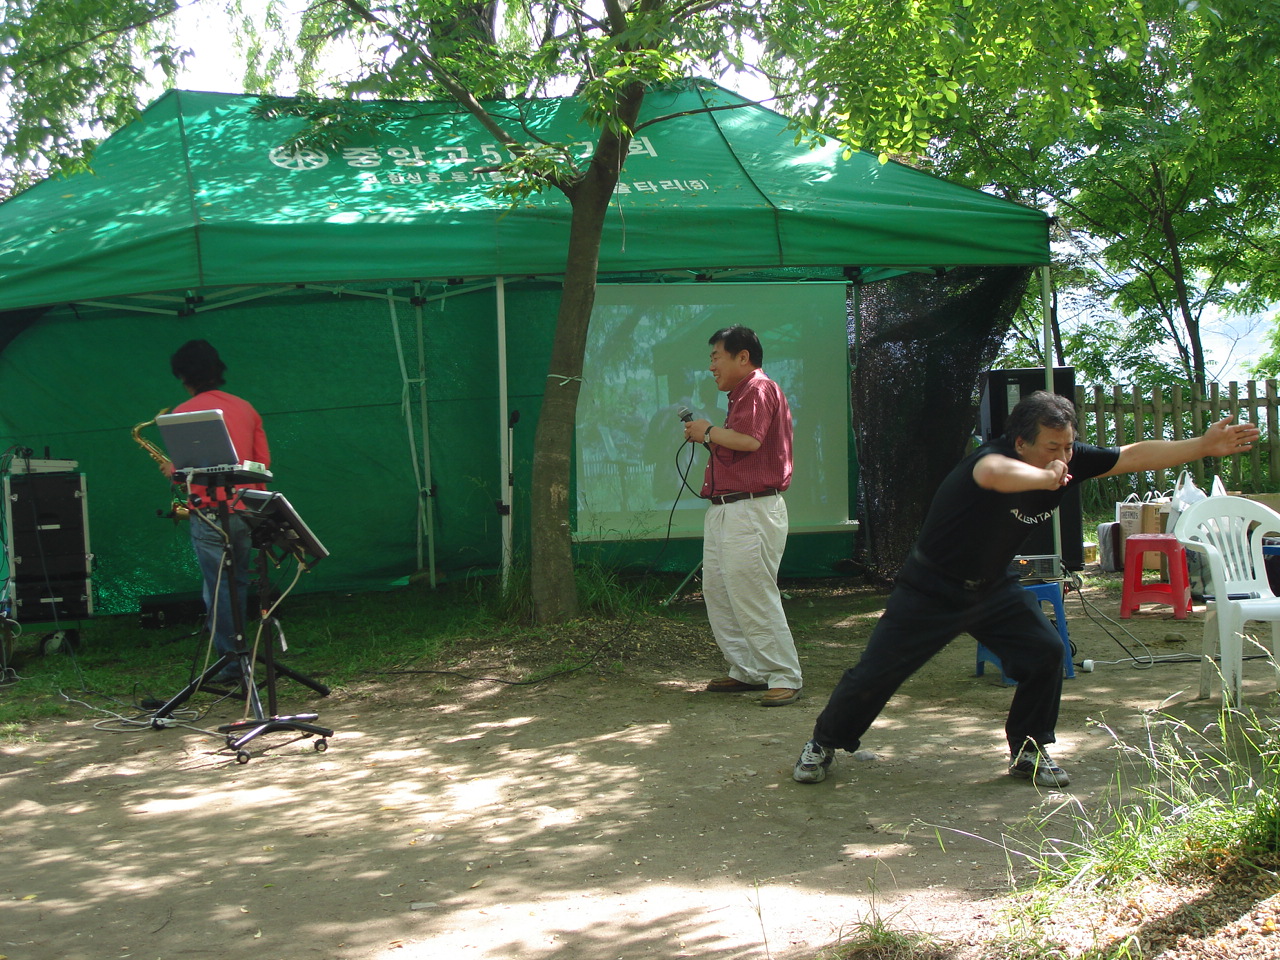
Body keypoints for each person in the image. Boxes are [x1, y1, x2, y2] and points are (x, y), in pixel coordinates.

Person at [793, 390, 1260, 786]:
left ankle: (1029, 750)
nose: (1064, 456)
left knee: (1045, 653)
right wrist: (1045, 476)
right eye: (1052, 447)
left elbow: (1132, 455)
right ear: (1021, 442)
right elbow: (995, 476)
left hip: (992, 588)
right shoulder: (992, 460)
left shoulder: (1067, 459)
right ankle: (823, 743)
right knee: (876, 673)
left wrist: (1202, 445)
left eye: (1069, 446)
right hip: (930, 588)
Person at [683, 325, 803, 706]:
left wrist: (707, 431)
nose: (711, 366)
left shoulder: (757, 387)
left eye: (716, 357)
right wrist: (710, 434)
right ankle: (749, 669)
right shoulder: (742, 394)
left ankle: (784, 674)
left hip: (751, 508)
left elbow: (749, 441)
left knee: (751, 591)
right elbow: (743, 444)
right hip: (728, 508)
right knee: (719, 590)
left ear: (743, 357)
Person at [164, 340, 271, 686]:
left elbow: (185, 470)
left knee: (218, 588)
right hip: (245, 509)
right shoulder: (246, 408)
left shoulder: (182, 413)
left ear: (183, 375)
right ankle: (240, 655)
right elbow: (262, 464)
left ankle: (233, 663)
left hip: (209, 513)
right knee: (235, 583)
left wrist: (171, 470)